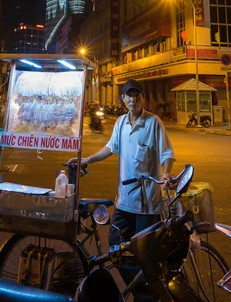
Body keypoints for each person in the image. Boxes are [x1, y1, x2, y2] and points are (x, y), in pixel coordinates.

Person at [69, 79, 175, 300]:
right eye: (129, 95)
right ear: (123, 99)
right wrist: (87, 159)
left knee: (146, 257)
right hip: (124, 202)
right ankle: (141, 291)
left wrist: (165, 173)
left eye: (137, 95)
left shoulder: (153, 123)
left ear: (143, 98)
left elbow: (166, 153)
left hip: (147, 207)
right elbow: (110, 148)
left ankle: (146, 297)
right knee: (116, 250)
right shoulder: (120, 123)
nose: (133, 99)